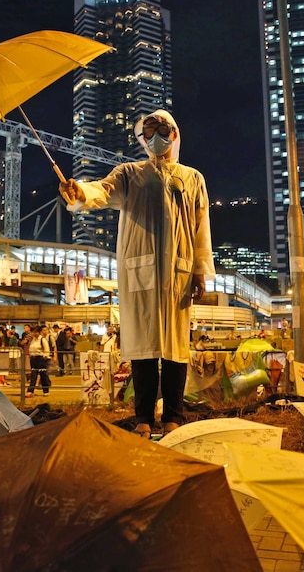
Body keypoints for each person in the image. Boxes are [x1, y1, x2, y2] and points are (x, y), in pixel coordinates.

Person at [59, 109, 214, 439]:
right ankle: (143, 416)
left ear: (174, 133)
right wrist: (79, 192)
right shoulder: (130, 174)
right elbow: (102, 190)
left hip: (178, 272)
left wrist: (200, 271)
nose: (156, 136)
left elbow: (202, 228)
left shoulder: (192, 178)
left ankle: (174, 415)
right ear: (141, 140)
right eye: (148, 132)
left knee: (175, 348)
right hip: (139, 270)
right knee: (143, 347)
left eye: (162, 129)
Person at [26, 325, 53, 397]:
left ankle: (46, 391)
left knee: (43, 375)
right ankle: (30, 391)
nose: (35, 334)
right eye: (33, 332)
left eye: (36, 332)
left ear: (39, 332)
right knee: (33, 376)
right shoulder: (33, 340)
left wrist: (45, 356)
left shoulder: (42, 340)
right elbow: (31, 348)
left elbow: (47, 349)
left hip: (41, 359)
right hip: (34, 359)